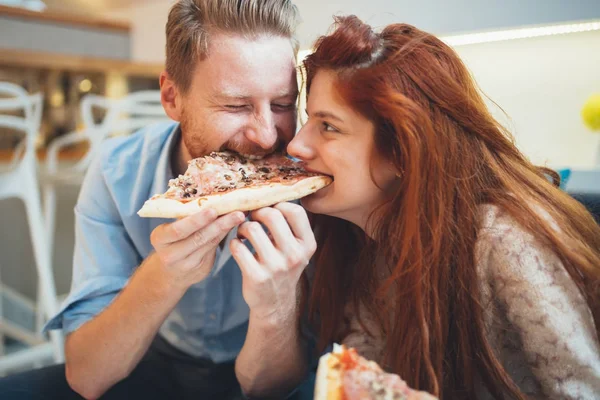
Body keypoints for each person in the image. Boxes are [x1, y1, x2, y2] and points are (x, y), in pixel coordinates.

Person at [231, 15, 600, 399]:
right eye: (309, 119)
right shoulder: (345, 241)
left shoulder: (507, 243)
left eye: (329, 127)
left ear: (404, 152)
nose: (295, 146)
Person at [0, 1, 316, 399]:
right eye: (236, 106)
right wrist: (164, 276)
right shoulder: (117, 174)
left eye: (284, 104)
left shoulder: (314, 181)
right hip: (152, 358)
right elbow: (87, 376)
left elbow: (274, 387)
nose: (268, 136)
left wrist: (277, 308)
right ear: (171, 97)